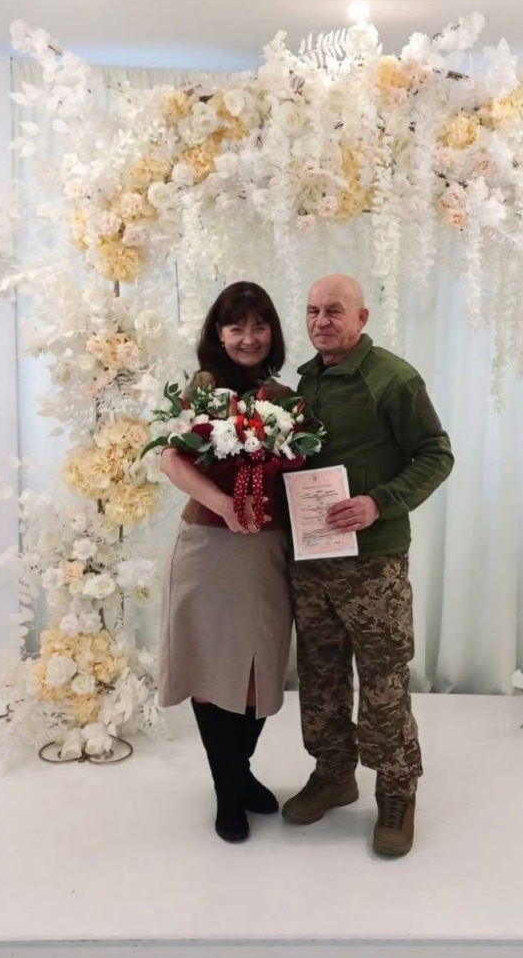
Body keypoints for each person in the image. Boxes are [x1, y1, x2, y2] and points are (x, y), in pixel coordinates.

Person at [282, 274, 454, 857]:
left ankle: (397, 790)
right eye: (312, 310)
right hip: (312, 559)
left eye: (334, 310)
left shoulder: (393, 379)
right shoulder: (305, 381)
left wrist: (380, 502)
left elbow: (436, 454)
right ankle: (333, 773)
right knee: (321, 672)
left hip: (372, 562)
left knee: (383, 677)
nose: (321, 321)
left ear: (362, 318)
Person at [158, 280, 293, 844]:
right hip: (209, 547)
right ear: (218, 333)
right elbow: (171, 459)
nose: (248, 337)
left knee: (257, 672)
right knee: (212, 669)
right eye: (237, 327)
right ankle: (229, 793)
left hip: (266, 549)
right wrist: (223, 503)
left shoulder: (285, 398)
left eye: (259, 326)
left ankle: (238, 773)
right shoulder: (203, 390)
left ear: (273, 333)